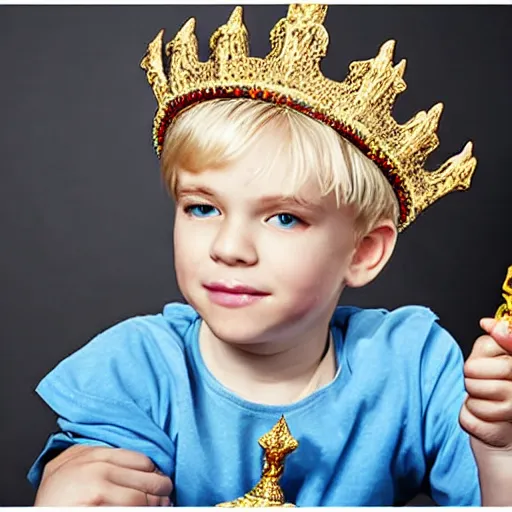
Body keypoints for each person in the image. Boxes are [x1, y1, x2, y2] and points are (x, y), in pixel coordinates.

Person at [28, 4, 512, 507]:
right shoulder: (135, 372)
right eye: (201, 208)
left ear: (364, 251)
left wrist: (501, 453)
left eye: (284, 217)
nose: (228, 248)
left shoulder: (412, 367)